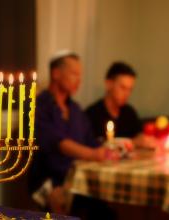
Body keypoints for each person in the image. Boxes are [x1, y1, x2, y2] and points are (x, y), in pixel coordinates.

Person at [27, 50, 114, 218]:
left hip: (79, 181)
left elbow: (93, 142)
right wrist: (93, 154)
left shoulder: (76, 110)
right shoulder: (39, 106)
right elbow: (57, 142)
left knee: (107, 210)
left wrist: (112, 148)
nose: (79, 80)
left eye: (80, 75)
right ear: (56, 73)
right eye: (74, 74)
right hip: (49, 180)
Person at [85, 61, 157, 148]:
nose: (127, 94)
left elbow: (138, 135)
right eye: (123, 88)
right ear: (108, 84)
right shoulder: (91, 115)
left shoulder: (129, 113)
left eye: (130, 89)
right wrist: (131, 143)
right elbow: (91, 147)